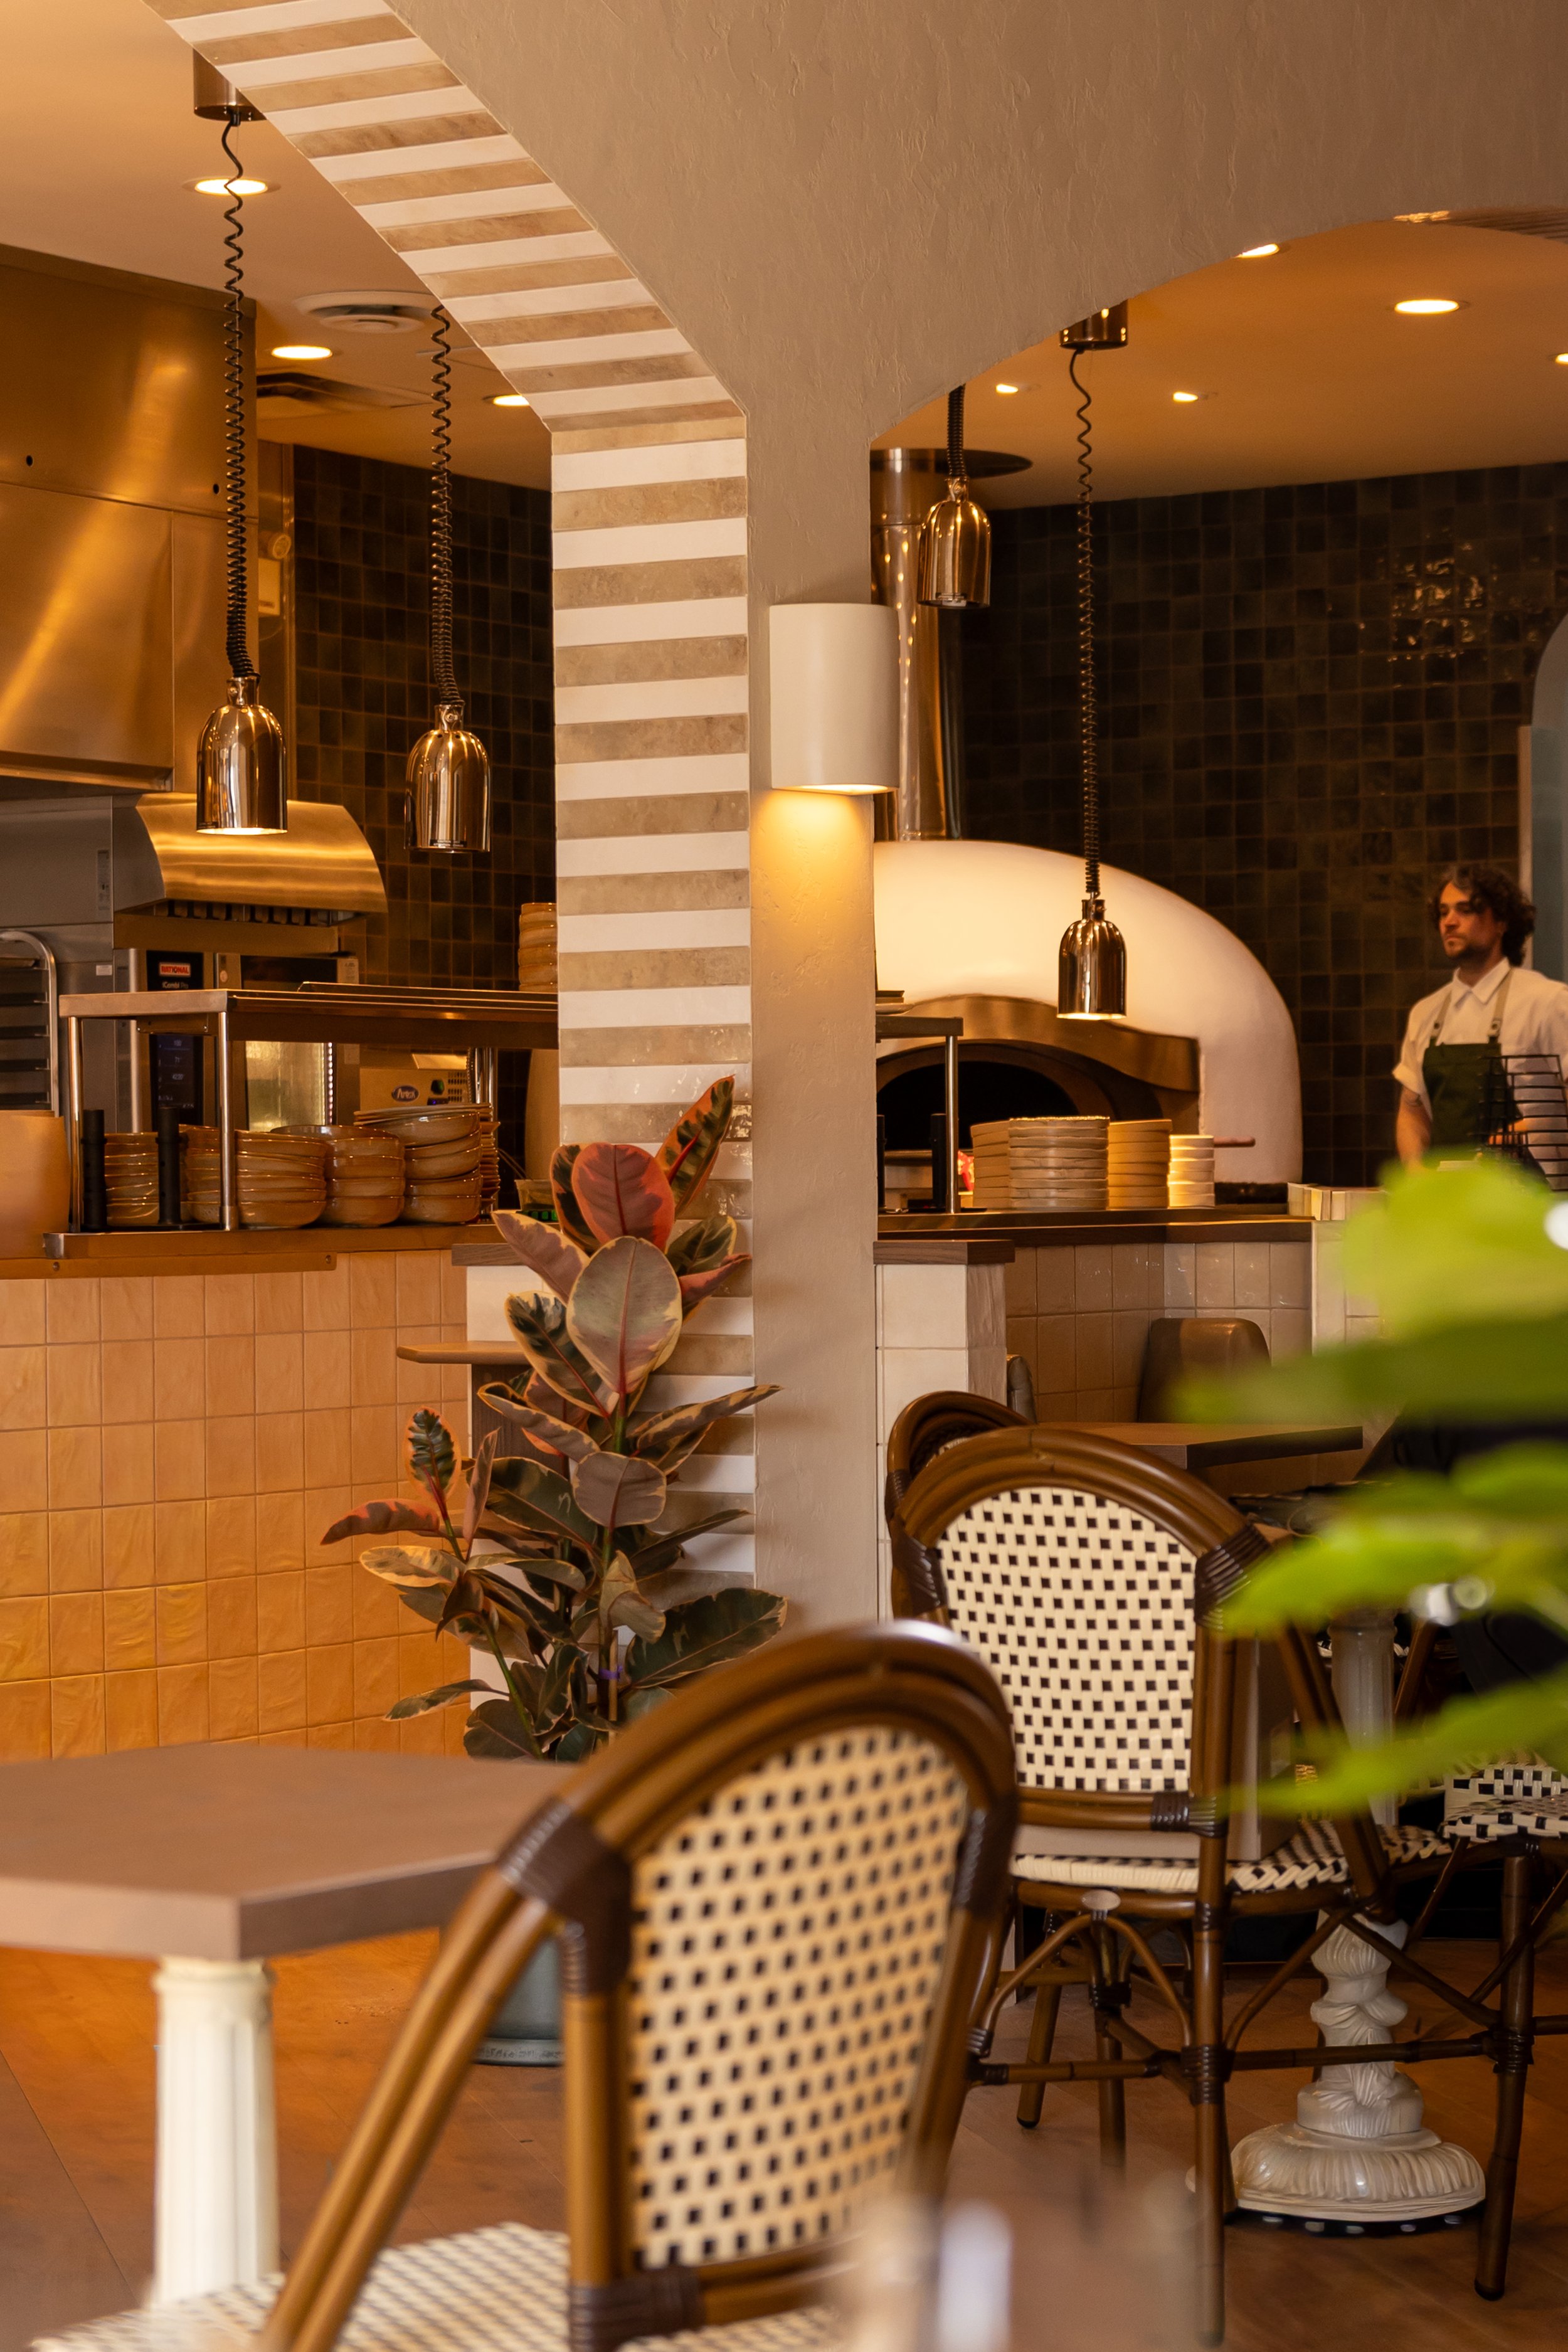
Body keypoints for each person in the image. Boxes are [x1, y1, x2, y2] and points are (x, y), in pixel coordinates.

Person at [1394, 862, 1568, 1164]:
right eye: (1443, 912)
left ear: (1501, 922)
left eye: (1465, 910)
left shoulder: (1547, 1002)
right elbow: (1412, 1111)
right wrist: (1416, 1176)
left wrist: (1524, 1134)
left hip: (1531, 1190)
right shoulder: (1426, 1014)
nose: (1450, 922)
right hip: (1449, 1192)